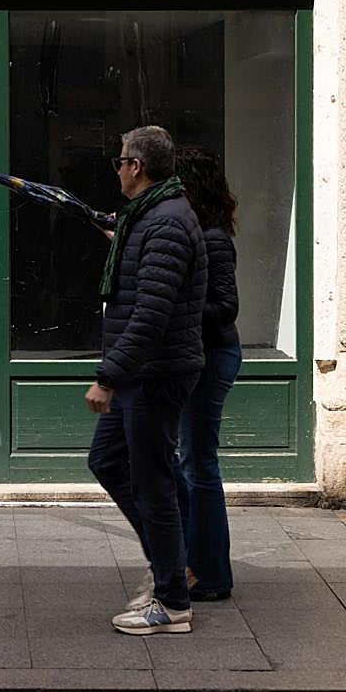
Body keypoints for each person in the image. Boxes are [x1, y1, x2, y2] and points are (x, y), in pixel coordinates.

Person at [85, 125, 206, 636]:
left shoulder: (168, 223)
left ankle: (173, 601)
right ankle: (169, 565)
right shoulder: (150, 217)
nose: (116, 169)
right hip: (145, 372)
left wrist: (107, 377)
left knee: (154, 485)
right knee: (108, 460)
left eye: (119, 161)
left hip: (154, 375)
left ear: (135, 166)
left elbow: (150, 315)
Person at [173, 146, 241, 602]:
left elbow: (225, 308)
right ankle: (194, 562)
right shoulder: (192, 231)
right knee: (189, 461)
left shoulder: (212, 237)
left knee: (199, 464)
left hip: (211, 357)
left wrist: (175, 308)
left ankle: (211, 574)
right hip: (195, 357)